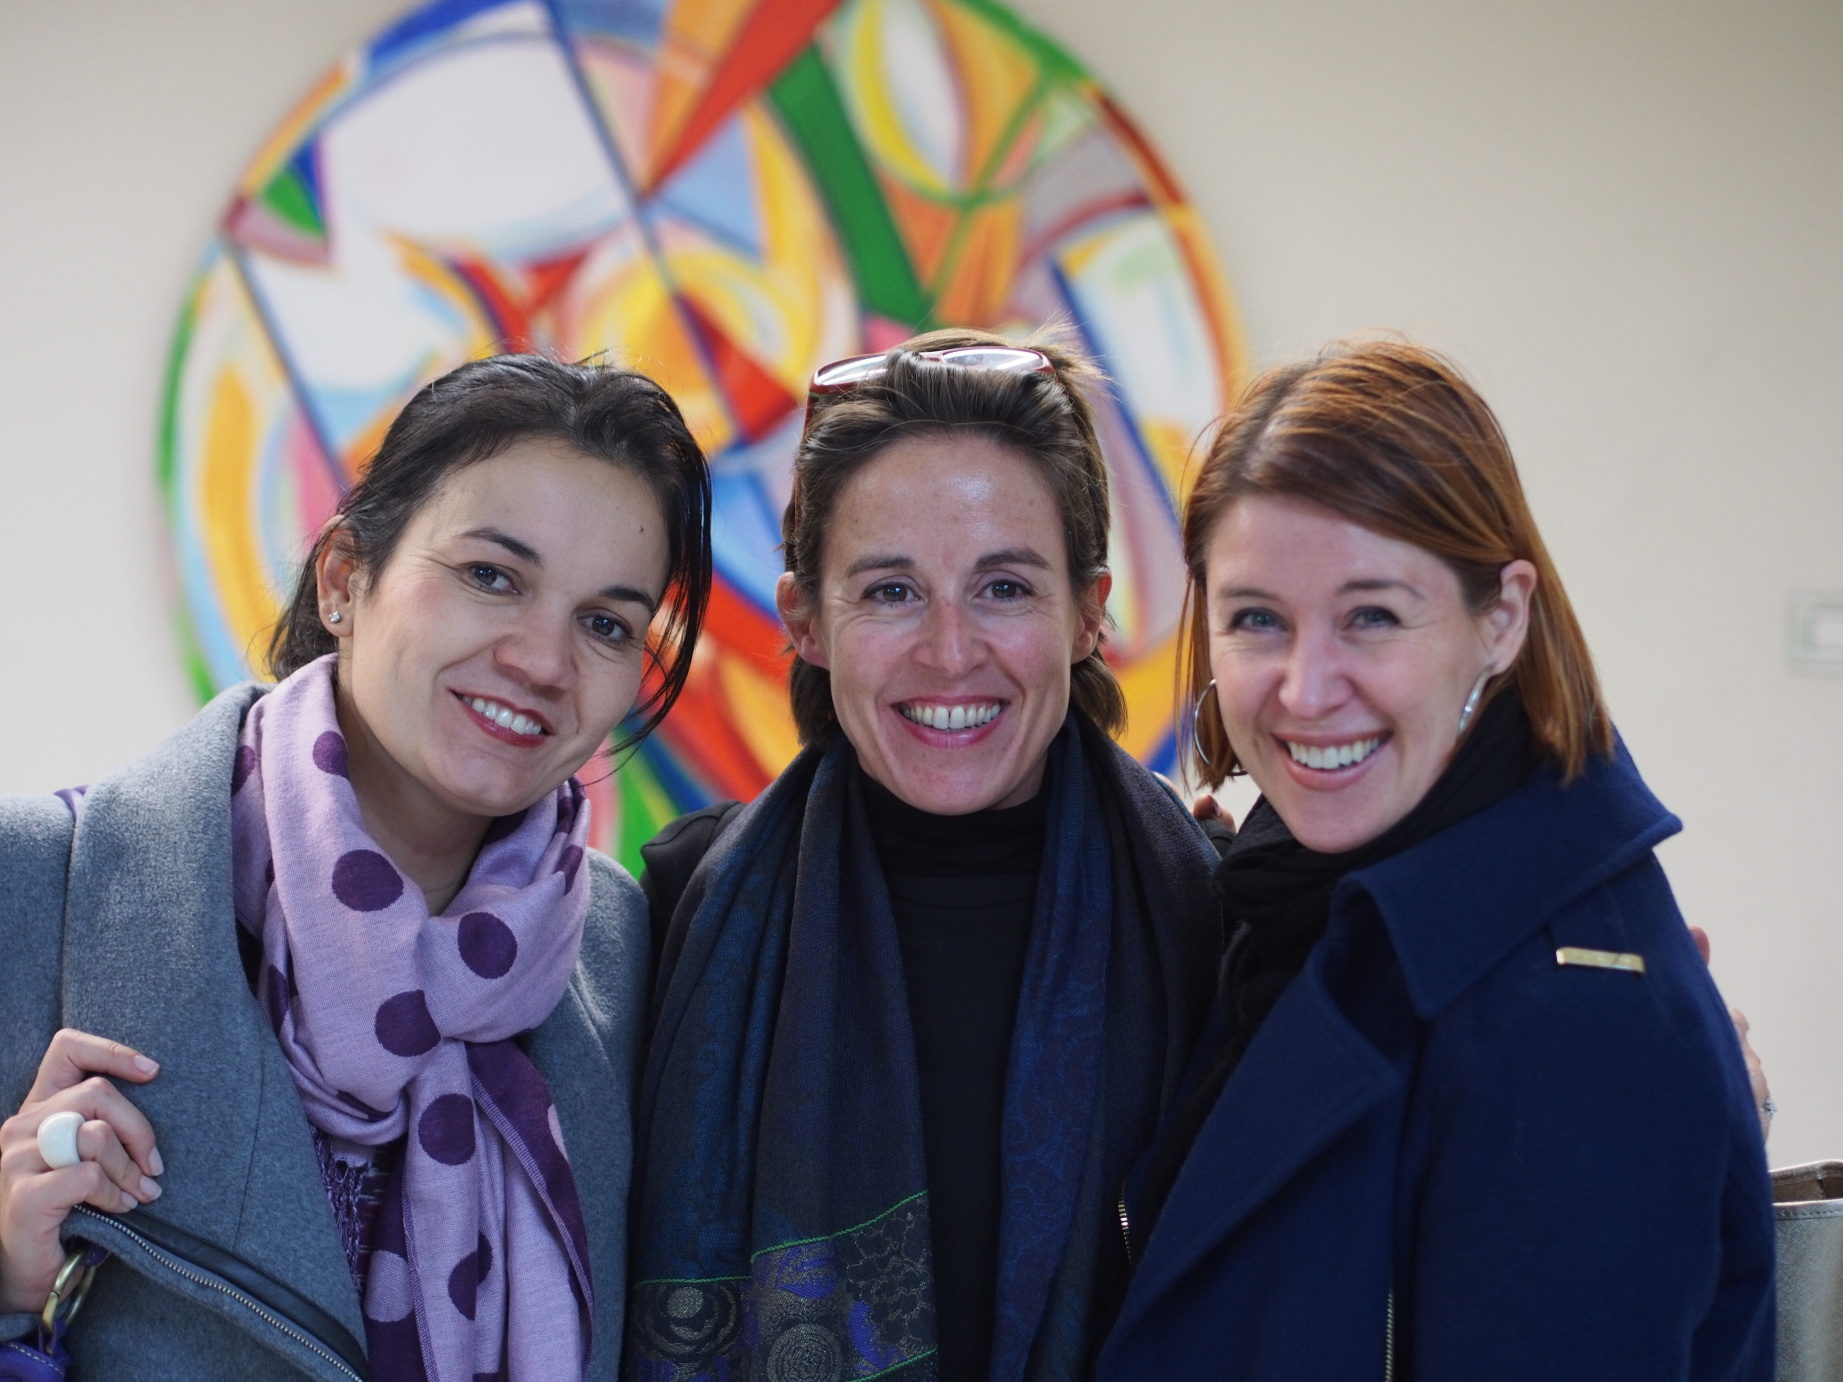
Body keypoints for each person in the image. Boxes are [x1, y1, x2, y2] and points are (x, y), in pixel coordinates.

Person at [0, 355, 712, 1382]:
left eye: (605, 623)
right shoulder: (37, 893)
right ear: (343, 578)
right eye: (491, 576)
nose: (541, 661)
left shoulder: (626, 961)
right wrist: (8, 1289)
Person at [1097, 341, 1776, 1380]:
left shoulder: (1576, 1020)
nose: (1304, 687)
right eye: (1257, 619)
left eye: (1371, 615)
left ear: (1500, 619)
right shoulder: (1290, 910)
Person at [626, 331, 1222, 1382]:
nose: (950, 652)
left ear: (1087, 615)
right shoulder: (677, 915)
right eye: (891, 591)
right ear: (806, 620)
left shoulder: (1215, 923)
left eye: (1004, 588)